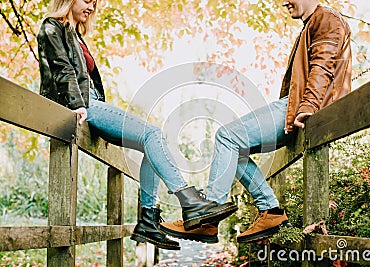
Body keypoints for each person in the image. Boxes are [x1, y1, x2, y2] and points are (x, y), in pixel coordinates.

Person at [37, 0, 238, 250]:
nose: (91, 7)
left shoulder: (76, 34)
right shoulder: (52, 26)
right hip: (84, 105)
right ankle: (188, 200)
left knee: (152, 142)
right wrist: (77, 104)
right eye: (87, 0)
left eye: (95, 3)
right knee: (153, 135)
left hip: (92, 104)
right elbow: (62, 68)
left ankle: (149, 221)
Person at [160, 0, 352, 243]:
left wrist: (308, 106)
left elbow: (324, 67)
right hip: (299, 104)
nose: (284, 2)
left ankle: (208, 216)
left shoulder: (327, 18)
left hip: (302, 106)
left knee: (227, 136)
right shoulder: (315, 22)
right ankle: (270, 211)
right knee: (233, 149)